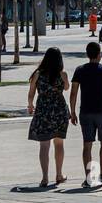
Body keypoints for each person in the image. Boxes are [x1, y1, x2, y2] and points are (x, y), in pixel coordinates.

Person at [69, 41, 102, 188]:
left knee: (87, 145)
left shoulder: (79, 70)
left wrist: (72, 112)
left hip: (85, 112)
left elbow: (73, 93)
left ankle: (89, 177)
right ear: (99, 55)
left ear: (87, 54)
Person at [27, 47, 70, 188]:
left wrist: (30, 104)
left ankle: (44, 177)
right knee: (59, 143)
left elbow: (31, 92)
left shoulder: (38, 74)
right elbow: (66, 88)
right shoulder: (62, 74)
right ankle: (59, 174)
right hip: (59, 110)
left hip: (43, 110)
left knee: (44, 145)